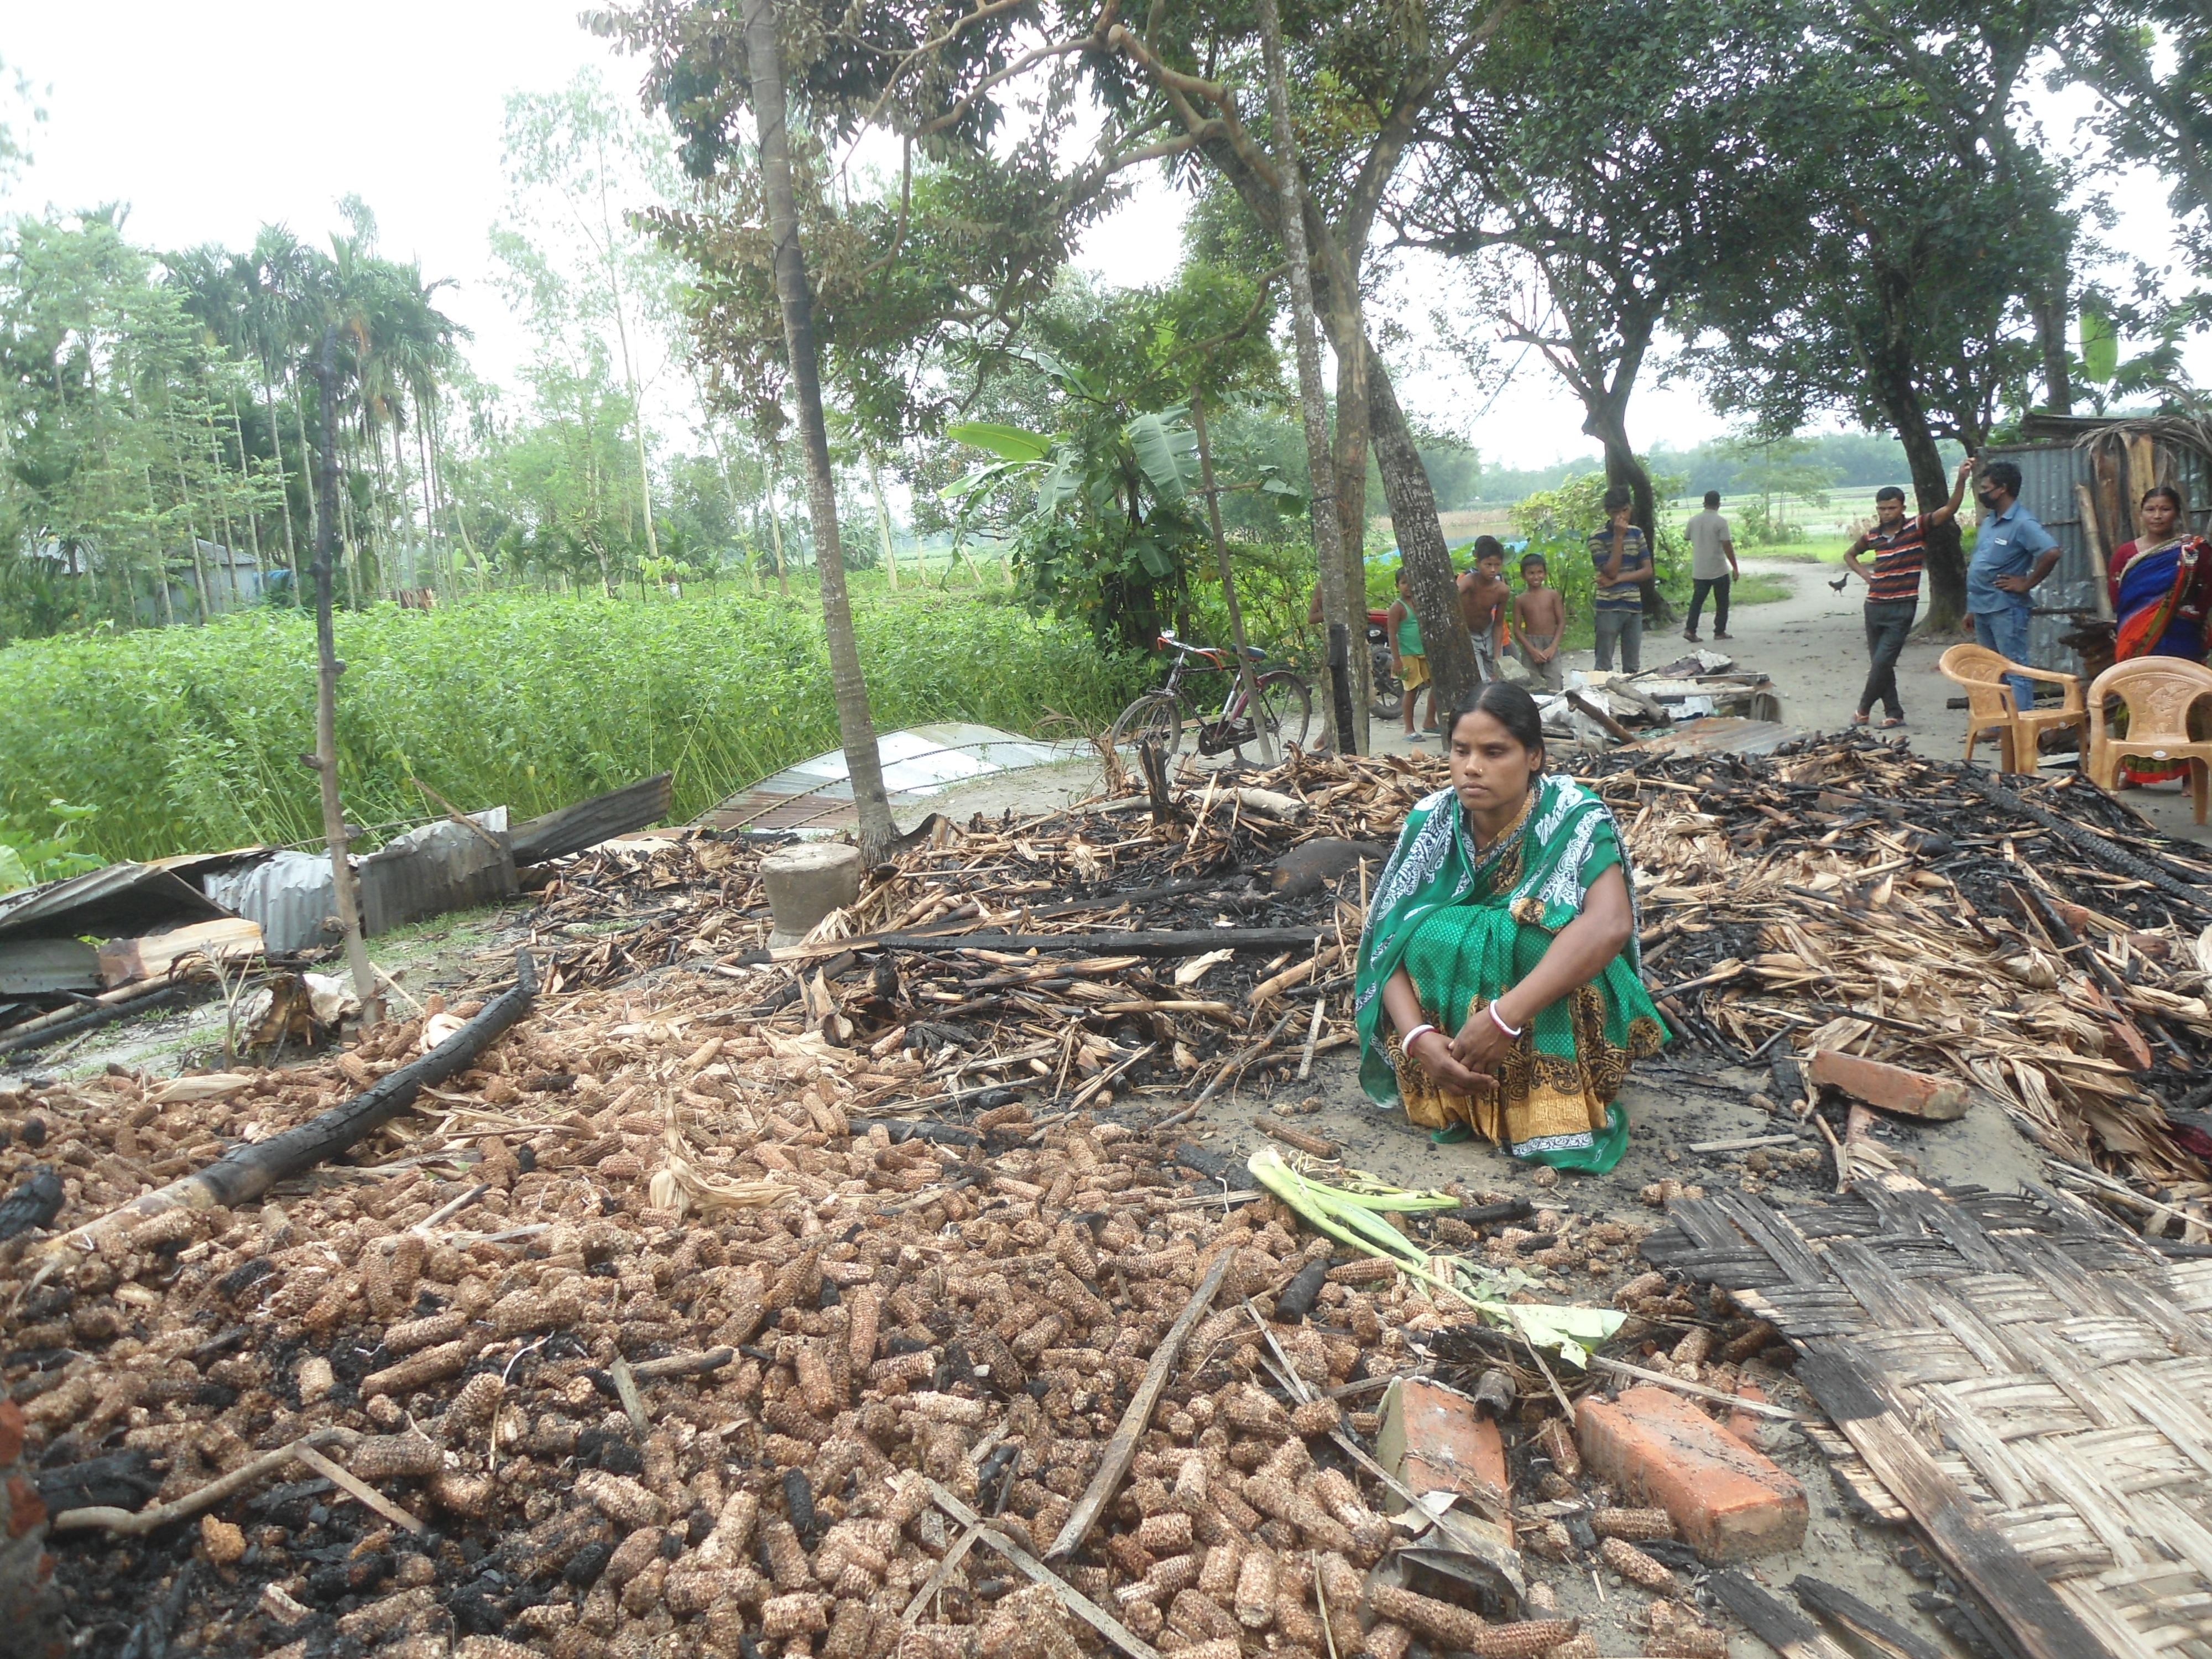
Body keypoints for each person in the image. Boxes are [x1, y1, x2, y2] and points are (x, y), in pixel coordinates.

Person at [1355, 682, 1667, 1165]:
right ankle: (1451, 1083)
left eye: (1494, 752)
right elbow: (1384, 936)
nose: (1472, 767)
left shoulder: (1574, 817)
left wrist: (1503, 1019)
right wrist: (1416, 1039)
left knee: (1531, 937)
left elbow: (1609, 926)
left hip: (1529, 1011)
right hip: (1436, 1049)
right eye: (1461, 751)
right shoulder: (1433, 821)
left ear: (1535, 757)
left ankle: (1547, 1107)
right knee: (1427, 931)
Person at [1839, 463, 1970, 728]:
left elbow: (1949, 510)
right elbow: (1850, 555)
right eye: (1882, 509)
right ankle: (1894, 713)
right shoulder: (1872, 536)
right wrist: (1867, 576)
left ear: (1902, 508)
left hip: (1902, 607)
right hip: (1875, 606)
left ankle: (1862, 710)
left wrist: (1961, 480)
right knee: (1880, 663)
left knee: (1884, 661)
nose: (1887, 513)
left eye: (1892, 508)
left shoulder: (1917, 527)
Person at [1966, 459, 2060, 713]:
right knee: (1992, 667)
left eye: (1986, 487)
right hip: (1983, 606)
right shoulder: (1990, 520)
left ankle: (2020, 729)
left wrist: (2027, 583)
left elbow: (2051, 552)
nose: (1982, 492)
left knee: (2014, 667)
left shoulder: (2022, 523)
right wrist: (1972, 608)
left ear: (2002, 489)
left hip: (2005, 608)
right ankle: (1999, 726)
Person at [2109, 486, 2212, 662]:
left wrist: (2185, 616)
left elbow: (2206, 593)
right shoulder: (2125, 553)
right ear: (2141, 513)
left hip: (2183, 636)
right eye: (2150, 510)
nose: (2157, 516)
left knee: (2183, 686)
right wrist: (2141, 618)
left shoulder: (2194, 550)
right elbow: (2116, 597)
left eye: (2165, 509)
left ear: (2177, 513)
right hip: (2135, 637)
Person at [1590, 486, 1650, 673]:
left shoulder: (1637, 533)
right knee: (1604, 664)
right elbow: (1611, 571)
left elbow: (1647, 571)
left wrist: (1617, 580)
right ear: (1608, 513)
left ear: (1630, 508)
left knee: (1632, 666)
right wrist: (1618, 537)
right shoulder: (1596, 537)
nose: (1622, 517)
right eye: (1616, 513)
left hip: (1633, 604)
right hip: (1608, 606)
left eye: (1625, 511)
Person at [1683, 491, 1739, 643]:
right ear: (1719, 504)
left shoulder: (1693, 520)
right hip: (1718, 568)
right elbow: (1727, 544)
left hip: (1700, 569)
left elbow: (1686, 537)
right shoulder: (1720, 521)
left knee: (1697, 601)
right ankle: (1719, 632)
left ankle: (1690, 629)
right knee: (1722, 601)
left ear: (1704, 503)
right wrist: (1735, 567)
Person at [1386, 568, 1436, 739]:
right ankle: (1409, 729)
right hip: (1407, 654)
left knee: (1436, 686)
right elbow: (1392, 634)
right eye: (1404, 582)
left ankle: (1430, 722)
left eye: (1411, 582)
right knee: (1411, 690)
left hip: (1425, 652)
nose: (1409, 586)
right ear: (1397, 586)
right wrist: (1396, 659)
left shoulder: (1421, 602)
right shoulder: (1398, 607)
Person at [1458, 537, 1511, 683]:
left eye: (1497, 565)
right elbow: (1452, 598)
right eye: (1488, 565)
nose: (1493, 570)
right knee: (1481, 680)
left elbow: (1498, 624)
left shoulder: (1502, 590)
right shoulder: (1469, 581)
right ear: (1478, 563)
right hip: (1469, 633)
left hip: (1489, 632)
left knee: (1499, 678)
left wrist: (1497, 658)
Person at [1514, 553, 1566, 691]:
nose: (1536, 577)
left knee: (1554, 681)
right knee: (1530, 684)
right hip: (1530, 645)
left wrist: (1553, 647)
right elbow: (1517, 630)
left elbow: (1561, 623)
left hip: (1551, 643)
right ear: (1523, 576)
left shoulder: (1552, 595)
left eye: (1540, 572)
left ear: (1545, 574)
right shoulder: (1520, 600)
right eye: (1531, 573)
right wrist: (1532, 650)